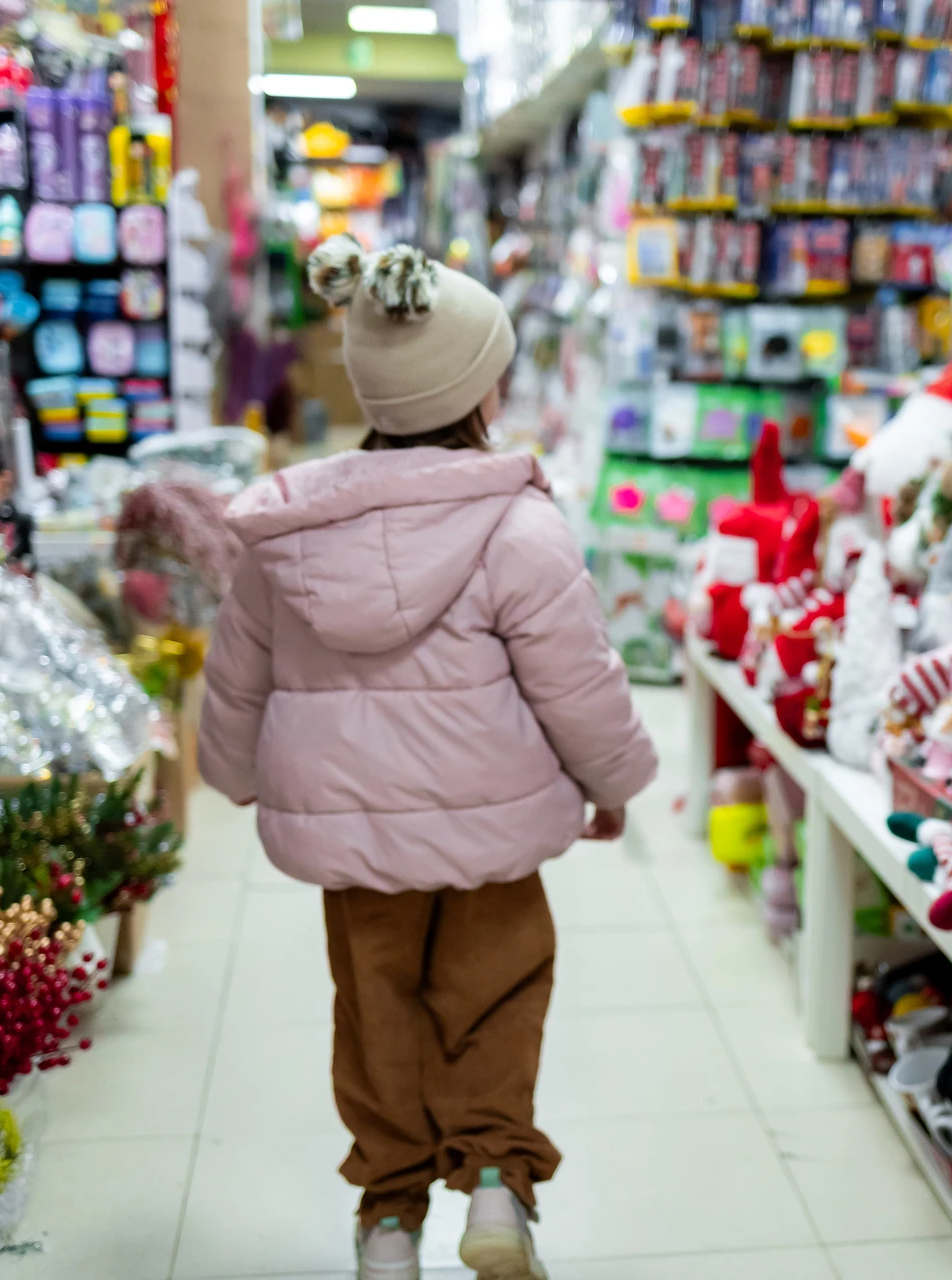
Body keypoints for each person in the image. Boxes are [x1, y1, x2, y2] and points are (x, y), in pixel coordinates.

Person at [199, 236, 659, 1280]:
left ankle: (390, 1217)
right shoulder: (520, 525)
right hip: (495, 830)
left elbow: (240, 670)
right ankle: (496, 1184)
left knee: (376, 1008)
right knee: (496, 992)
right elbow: (576, 681)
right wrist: (613, 782)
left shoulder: (295, 532)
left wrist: (233, 769)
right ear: (483, 389)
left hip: (356, 840)